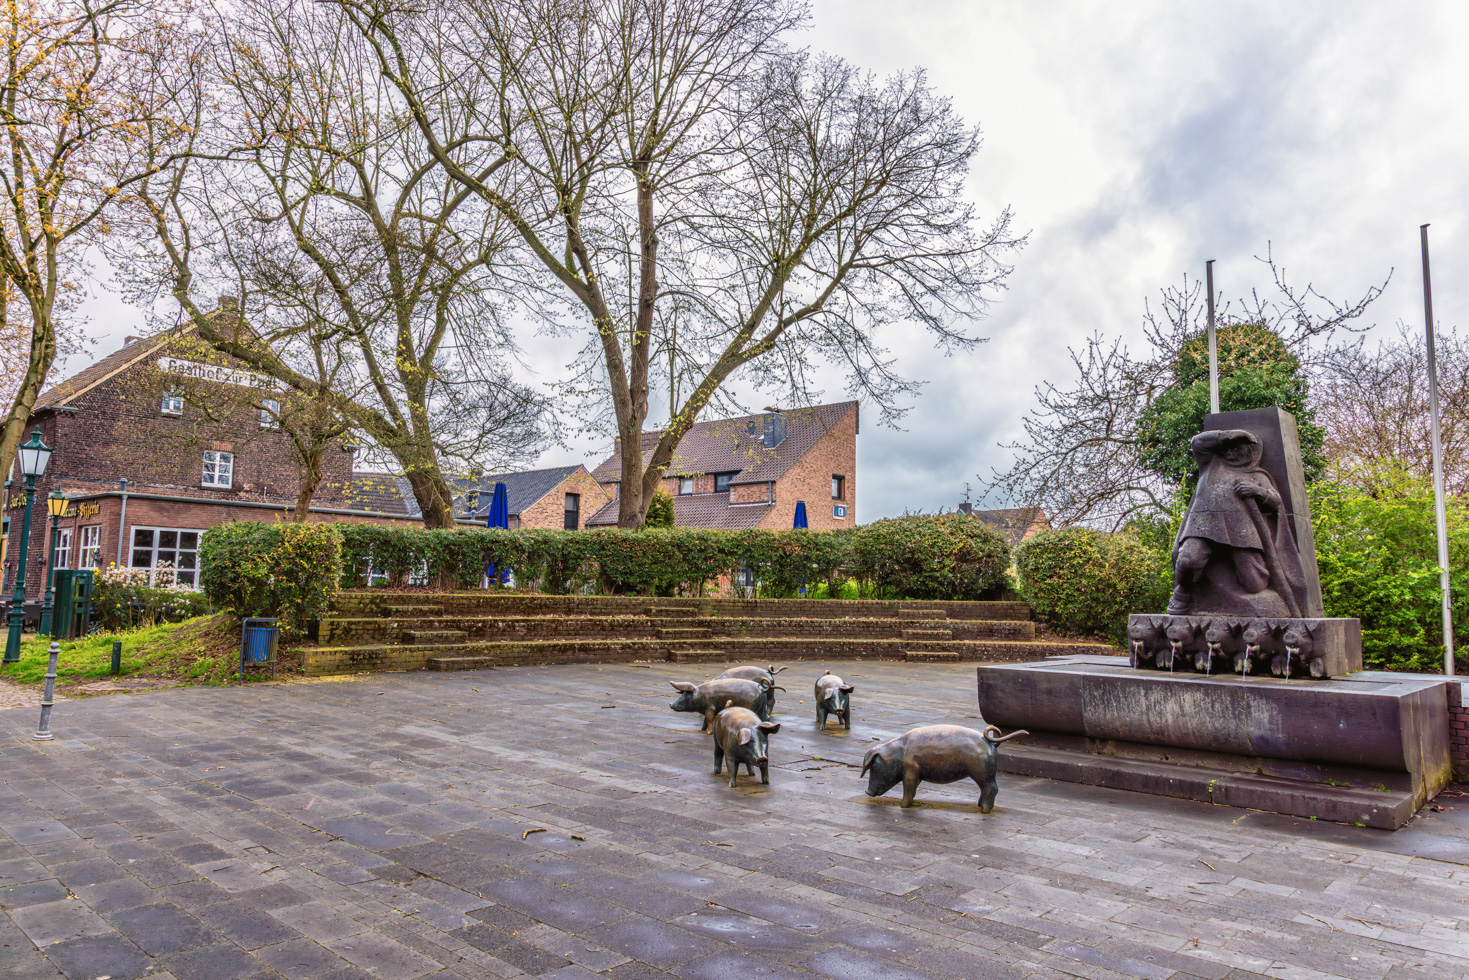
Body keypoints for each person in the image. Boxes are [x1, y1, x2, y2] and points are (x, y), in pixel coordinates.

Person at [1168, 428, 1304, 617]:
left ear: (1251, 452)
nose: (1230, 453)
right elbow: (1197, 442)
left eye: (1237, 449)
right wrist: (1224, 436)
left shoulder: (1257, 475)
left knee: (1254, 583)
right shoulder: (1210, 463)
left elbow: (1276, 501)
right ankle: (1183, 593)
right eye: (1227, 448)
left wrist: (1258, 492)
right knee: (1188, 560)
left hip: (1241, 530)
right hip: (1203, 525)